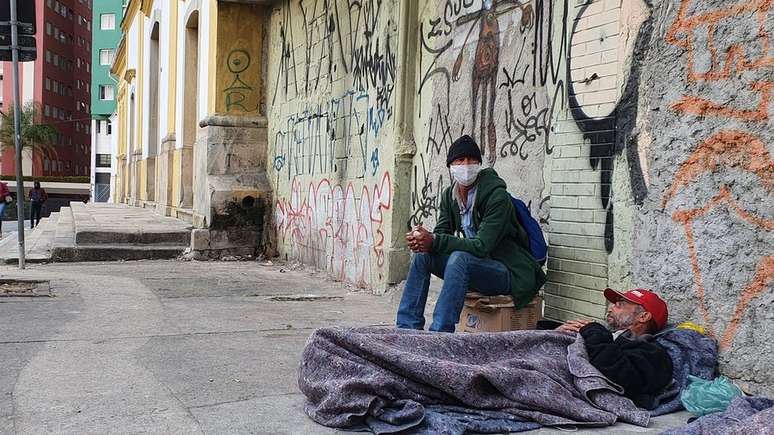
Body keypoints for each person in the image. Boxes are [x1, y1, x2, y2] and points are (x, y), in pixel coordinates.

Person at [396, 134, 546, 332]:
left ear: (479, 164)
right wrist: (423, 241)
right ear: (451, 166)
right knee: (423, 256)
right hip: (479, 267)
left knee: (460, 258)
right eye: (460, 160)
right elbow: (442, 233)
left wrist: (435, 240)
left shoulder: (497, 196)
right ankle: (407, 329)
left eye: (471, 160)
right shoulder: (450, 195)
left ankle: (440, 334)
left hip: (509, 272)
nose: (466, 165)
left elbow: (482, 246)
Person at [557, 288, 674, 409]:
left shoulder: (651, 351)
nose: (610, 308)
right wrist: (558, 333)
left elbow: (621, 376)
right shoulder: (612, 337)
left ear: (643, 317)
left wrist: (594, 331)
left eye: (620, 305)